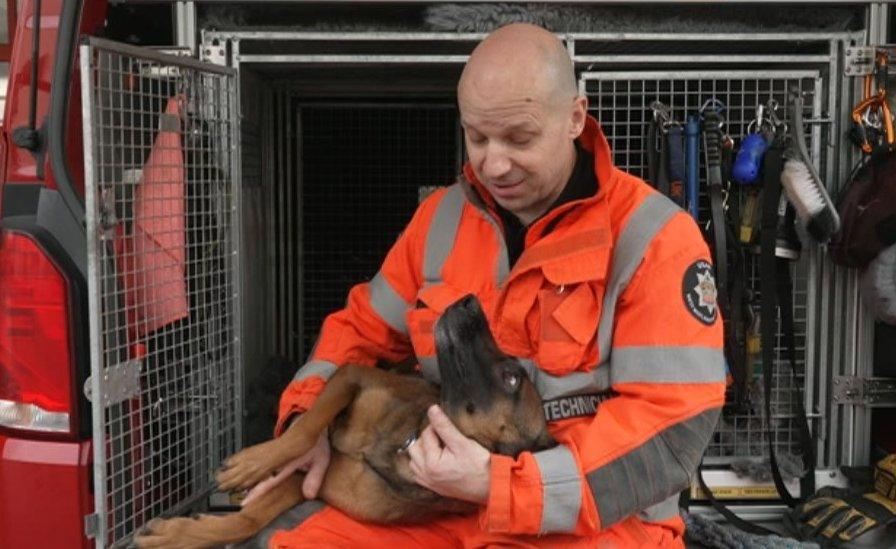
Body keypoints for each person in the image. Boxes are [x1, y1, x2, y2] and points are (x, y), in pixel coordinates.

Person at [248, 22, 726, 547]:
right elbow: (357, 332)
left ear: (574, 118)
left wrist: (500, 485)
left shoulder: (653, 239)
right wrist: (305, 426)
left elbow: (669, 433)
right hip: (435, 506)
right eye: (477, 137)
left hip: (592, 522)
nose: (494, 164)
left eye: (519, 139)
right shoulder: (440, 220)